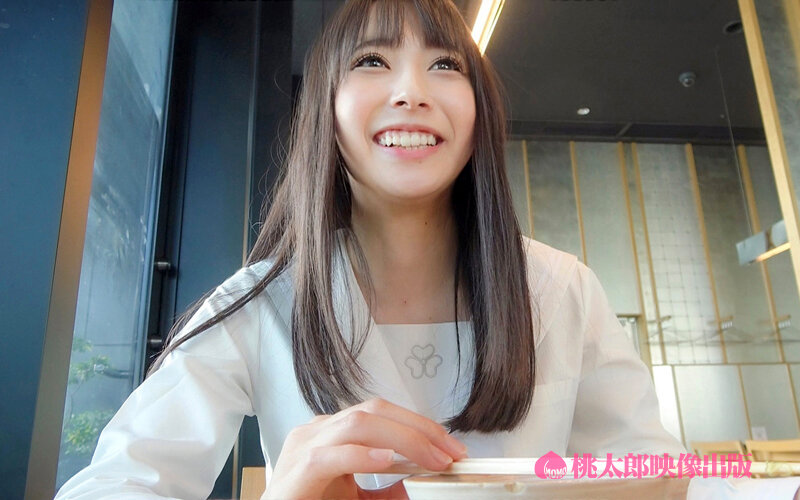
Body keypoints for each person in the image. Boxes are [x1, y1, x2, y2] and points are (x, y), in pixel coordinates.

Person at [55, 0, 685, 498]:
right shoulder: (262, 301)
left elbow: (659, 477)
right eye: (372, 61)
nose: (412, 91)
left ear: (480, 114)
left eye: (446, 65)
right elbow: (114, 484)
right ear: (325, 110)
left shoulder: (561, 288)